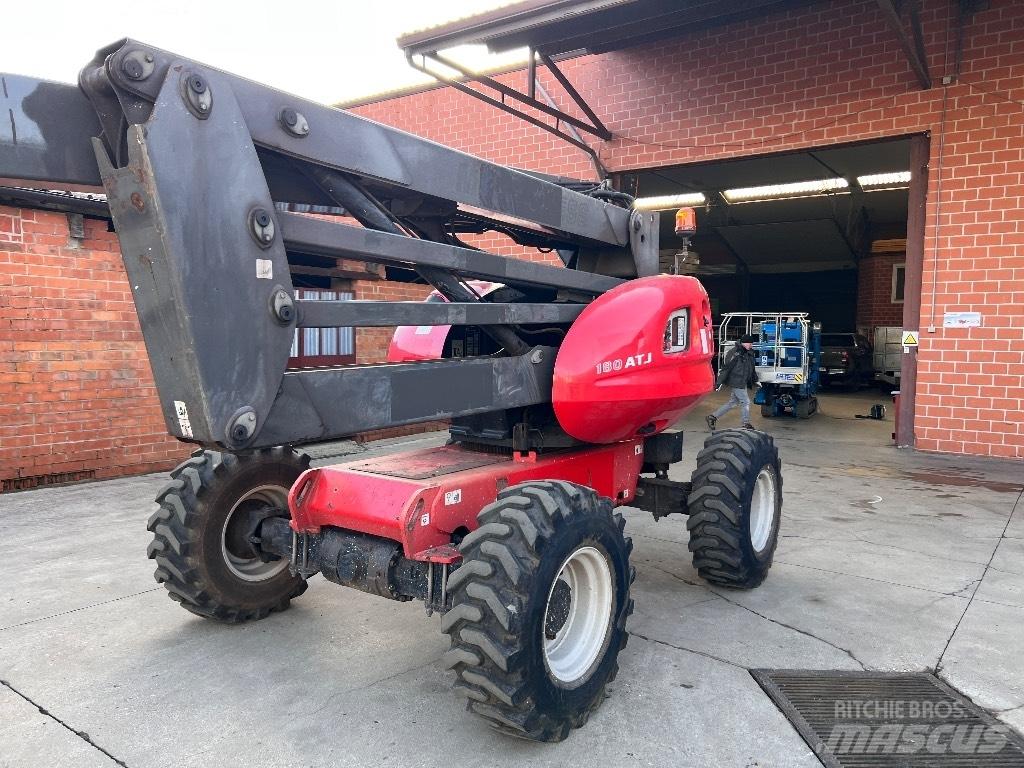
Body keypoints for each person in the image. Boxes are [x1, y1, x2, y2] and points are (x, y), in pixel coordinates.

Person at [707, 334, 758, 431]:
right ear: (744, 343)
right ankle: (746, 423)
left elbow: (752, 367)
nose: (751, 345)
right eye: (750, 343)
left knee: (733, 403)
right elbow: (726, 368)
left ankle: (712, 417)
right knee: (745, 402)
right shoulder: (735, 353)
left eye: (752, 343)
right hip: (736, 381)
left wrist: (755, 379)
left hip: (742, 382)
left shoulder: (749, 353)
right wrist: (718, 383)